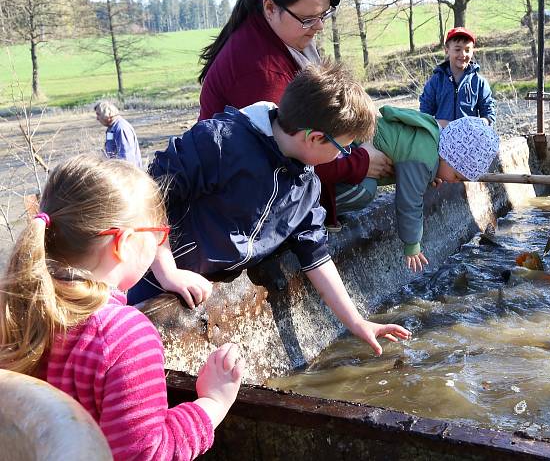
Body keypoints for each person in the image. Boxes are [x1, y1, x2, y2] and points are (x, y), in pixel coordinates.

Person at [136, 62, 411, 355]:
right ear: (315, 138)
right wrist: (168, 272)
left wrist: (356, 322)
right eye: (343, 148)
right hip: (152, 273)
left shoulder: (305, 184)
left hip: (206, 287)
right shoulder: (220, 143)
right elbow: (148, 195)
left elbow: (316, 256)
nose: (343, 156)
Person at [0, 155, 244, 460]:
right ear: (123, 243)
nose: (160, 244)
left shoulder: (15, 306)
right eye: (158, 236)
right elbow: (146, 453)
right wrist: (213, 403)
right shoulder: (124, 335)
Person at [197, 0, 392, 227]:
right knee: (364, 188)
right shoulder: (261, 69)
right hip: (243, 194)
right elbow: (288, 156)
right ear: (270, 8)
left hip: (282, 155)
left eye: (324, 14)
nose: (319, 27)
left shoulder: (283, 36)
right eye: (308, 19)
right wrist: (359, 163)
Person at [335, 108, 500, 273]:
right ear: (446, 156)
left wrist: (431, 174)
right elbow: (409, 202)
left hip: (351, 145)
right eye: (456, 175)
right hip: (345, 152)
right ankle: (322, 205)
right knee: (364, 191)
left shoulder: (432, 137)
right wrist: (412, 243)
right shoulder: (423, 159)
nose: (454, 181)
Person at [419, 27, 496, 128]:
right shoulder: (436, 81)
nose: (463, 54)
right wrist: (440, 124)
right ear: (447, 50)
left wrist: (476, 124)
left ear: (473, 51)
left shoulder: (479, 82)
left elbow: (489, 115)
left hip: (470, 139)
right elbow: (424, 115)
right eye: (457, 49)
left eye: (467, 50)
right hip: (441, 138)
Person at [94, 99, 142, 168]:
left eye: (98, 114)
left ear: (108, 114)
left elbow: (127, 160)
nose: (97, 118)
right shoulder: (111, 128)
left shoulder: (121, 128)